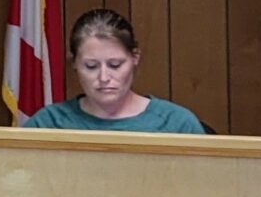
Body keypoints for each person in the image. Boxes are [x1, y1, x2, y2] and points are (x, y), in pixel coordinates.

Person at [18, 9, 207, 133]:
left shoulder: (177, 124)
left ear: (135, 57)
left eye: (115, 65)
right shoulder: (47, 124)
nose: (104, 77)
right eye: (91, 66)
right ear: (74, 63)